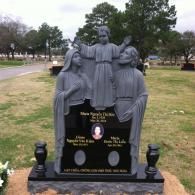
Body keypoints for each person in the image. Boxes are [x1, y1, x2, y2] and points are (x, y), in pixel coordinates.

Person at [74, 26, 131, 110]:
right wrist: (80, 44)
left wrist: (125, 44)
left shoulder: (112, 46)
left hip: (108, 68)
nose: (102, 38)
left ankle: (108, 102)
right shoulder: (96, 47)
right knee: (98, 85)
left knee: (108, 85)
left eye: (104, 36)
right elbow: (88, 51)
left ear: (108, 36)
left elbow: (118, 50)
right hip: (98, 68)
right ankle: (98, 103)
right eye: (100, 36)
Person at [54, 48, 91, 173]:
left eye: (80, 56)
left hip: (83, 109)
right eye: (76, 57)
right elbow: (58, 96)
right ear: (70, 59)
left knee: (83, 136)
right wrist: (71, 91)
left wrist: (85, 79)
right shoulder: (63, 75)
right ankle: (68, 161)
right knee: (71, 137)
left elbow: (91, 91)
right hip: (70, 111)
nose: (79, 58)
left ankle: (84, 160)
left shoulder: (82, 75)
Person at [114, 46, 148, 174]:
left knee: (127, 140)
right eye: (122, 52)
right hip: (115, 109)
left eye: (126, 53)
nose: (122, 55)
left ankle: (128, 164)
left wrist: (134, 109)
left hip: (131, 109)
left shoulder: (138, 75)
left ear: (133, 58)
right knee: (114, 139)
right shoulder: (115, 74)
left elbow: (143, 95)